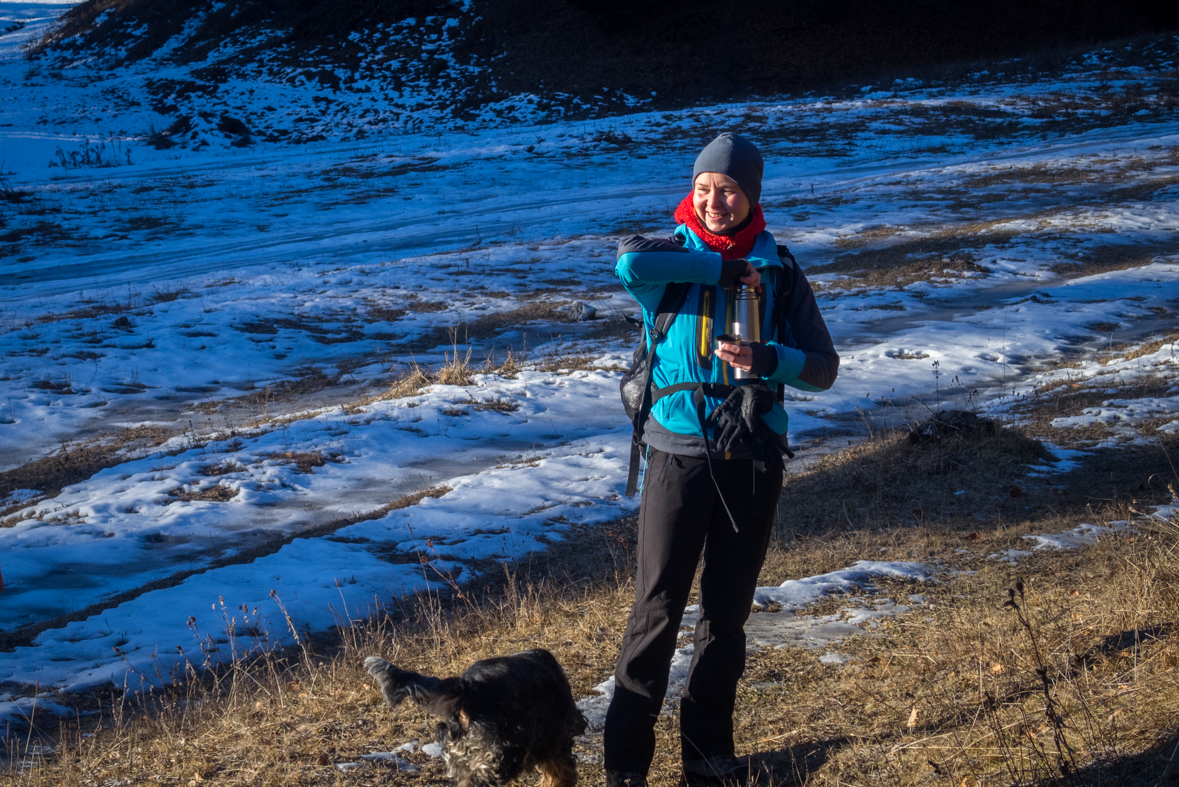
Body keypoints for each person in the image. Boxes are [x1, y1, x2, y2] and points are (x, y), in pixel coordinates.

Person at [605, 132, 839, 787]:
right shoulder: (670, 258)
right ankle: (624, 767)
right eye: (705, 188)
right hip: (676, 454)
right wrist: (719, 269)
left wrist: (771, 360)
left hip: (752, 457)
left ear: (751, 196)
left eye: (729, 189)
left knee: (726, 615)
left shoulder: (782, 270)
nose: (714, 200)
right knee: (656, 610)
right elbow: (627, 265)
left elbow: (824, 367)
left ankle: (708, 762)